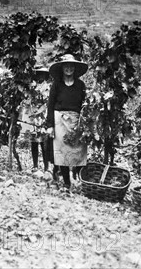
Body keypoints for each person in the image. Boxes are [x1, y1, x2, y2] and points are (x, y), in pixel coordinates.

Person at [46, 54, 88, 189]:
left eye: (71, 66)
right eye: (66, 66)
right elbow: (50, 105)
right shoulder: (56, 85)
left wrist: (84, 122)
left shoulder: (80, 85)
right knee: (62, 153)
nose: (69, 68)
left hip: (76, 120)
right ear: (62, 68)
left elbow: (85, 104)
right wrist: (50, 125)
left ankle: (81, 182)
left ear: (75, 69)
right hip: (60, 120)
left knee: (79, 151)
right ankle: (66, 183)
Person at [20, 66, 51, 172]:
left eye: (42, 74)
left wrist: (37, 112)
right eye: (38, 74)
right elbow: (27, 100)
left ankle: (46, 167)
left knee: (43, 143)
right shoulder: (32, 86)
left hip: (41, 117)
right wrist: (30, 111)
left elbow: (46, 103)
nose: (40, 76)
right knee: (34, 142)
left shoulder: (47, 87)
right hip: (32, 117)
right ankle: (35, 165)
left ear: (45, 75)